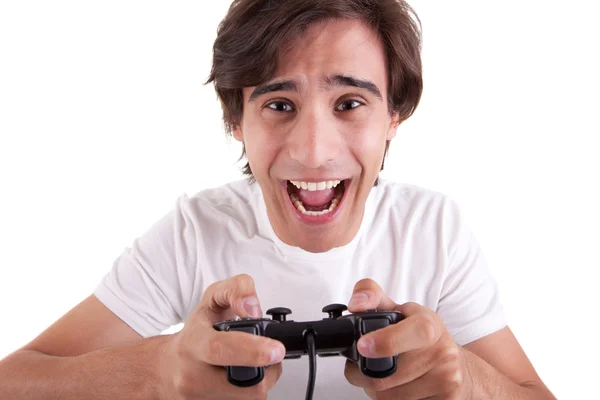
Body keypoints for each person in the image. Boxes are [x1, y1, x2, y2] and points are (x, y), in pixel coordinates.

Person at [0, 0, 555, 399]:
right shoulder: (195, 231)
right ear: (236, 121)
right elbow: (14, 380)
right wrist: (158, 372)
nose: (314, 153)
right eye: (279, 105)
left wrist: (468, 381)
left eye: (350, 103)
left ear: (394, 116)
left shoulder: (433, 230)